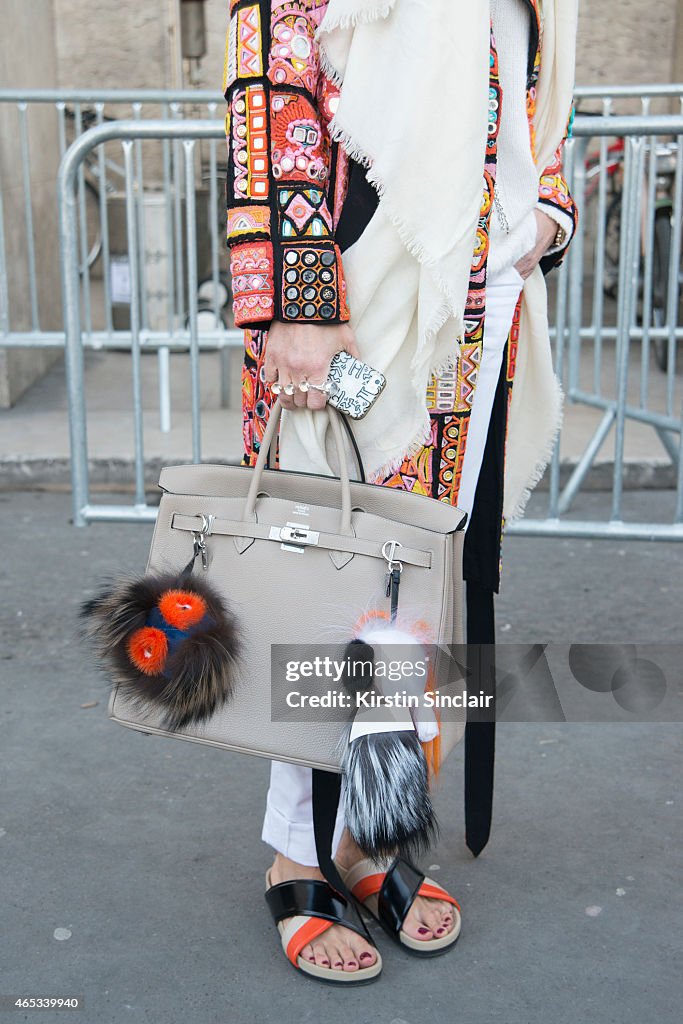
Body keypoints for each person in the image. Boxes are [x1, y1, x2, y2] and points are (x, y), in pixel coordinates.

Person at [223, 0, 579, 984]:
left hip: (476, 298)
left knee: (415, 597)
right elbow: (269, 64)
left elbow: (525, 84)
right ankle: (297, 846)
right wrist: (293, 301)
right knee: (326, 585)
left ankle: (371, 832)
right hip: (353, 296)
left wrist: (543, 206)